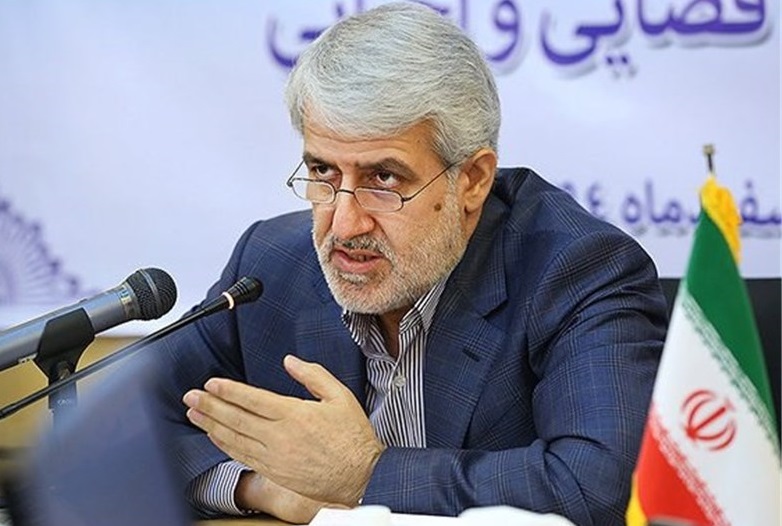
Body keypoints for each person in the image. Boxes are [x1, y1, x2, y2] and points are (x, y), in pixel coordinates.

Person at [154, 3, 668, 525]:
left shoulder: (578, 271)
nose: (344, 225)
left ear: (472, 180)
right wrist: (260, 486)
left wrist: (363, 476)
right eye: (323, 171)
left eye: (384, 179)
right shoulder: (271, 263)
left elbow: (598, 489)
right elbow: (126, 422)